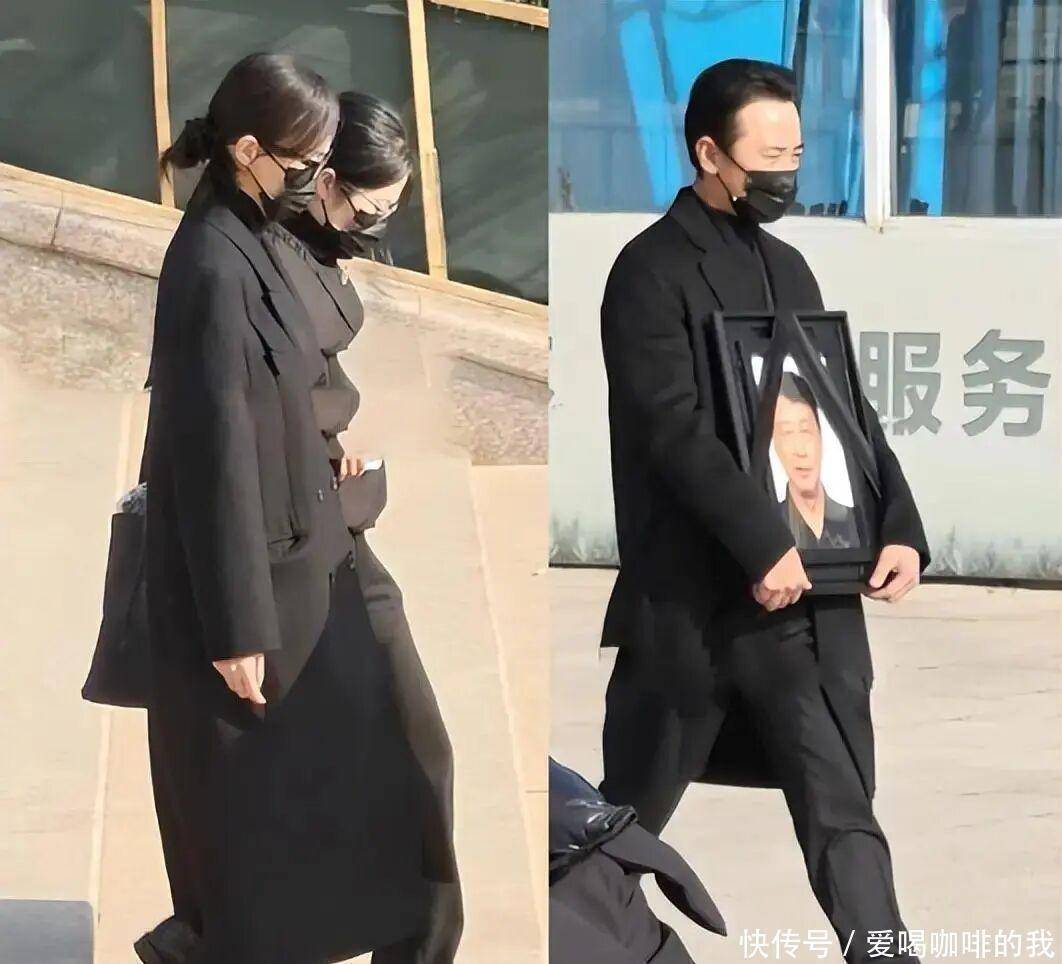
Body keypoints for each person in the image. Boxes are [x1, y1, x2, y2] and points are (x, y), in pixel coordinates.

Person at [597, 59, 930, 964]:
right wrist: (759, 539)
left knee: (843, 813)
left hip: (808, 608)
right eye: (768, 157)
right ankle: (570, 934)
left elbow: (842, 415)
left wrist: (898, 528)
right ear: (710, 154)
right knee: (621, 825)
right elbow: (671, 428)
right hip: (701, 606)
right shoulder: (650, 272)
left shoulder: (789, 268)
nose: (786, 174)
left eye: (797, 154)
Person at [136, 54, 431, 964]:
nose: (314, 180)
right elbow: (210, 454)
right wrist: (236, 629)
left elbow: (282, 383)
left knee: (394, 764)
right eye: (305, 164)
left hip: (311, 538)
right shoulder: (212, 265)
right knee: (260, 823)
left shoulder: (256, 227)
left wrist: (328, 443)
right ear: (249, 151)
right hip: (260, 582)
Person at [262, 90, 463, 964]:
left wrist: (338, 452)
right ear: (326, 181)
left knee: (419, 759)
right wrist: (328, 467)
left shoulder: (307, 251)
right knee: (377, 769)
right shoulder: (256, 264)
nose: (375, 229)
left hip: (335, 537)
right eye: (370, 209)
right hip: (294, 551)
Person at [772, 371, 859, 549]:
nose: (800, 450)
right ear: (775, 446)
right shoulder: (770, 529)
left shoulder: (856, 525)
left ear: (820, 435)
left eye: (805, 431)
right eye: (787, 433)